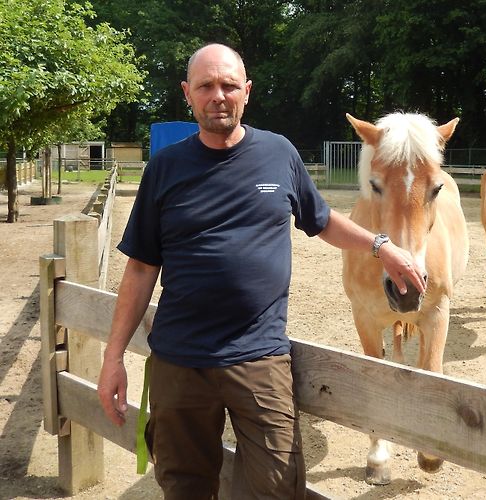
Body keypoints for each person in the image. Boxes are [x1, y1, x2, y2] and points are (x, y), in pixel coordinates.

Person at [96, 43, 426, 500]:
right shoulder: (165, 168)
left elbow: (322, 221)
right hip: (179, 362)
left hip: (258, 359)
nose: (218, 95)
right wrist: (113, 358)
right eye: (206, 85)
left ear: (246, 92)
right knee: (183, 486)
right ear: (187, 93)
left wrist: (380, 245)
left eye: (229, 85)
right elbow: (140, 268)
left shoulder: (278, 153)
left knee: (275, 486)